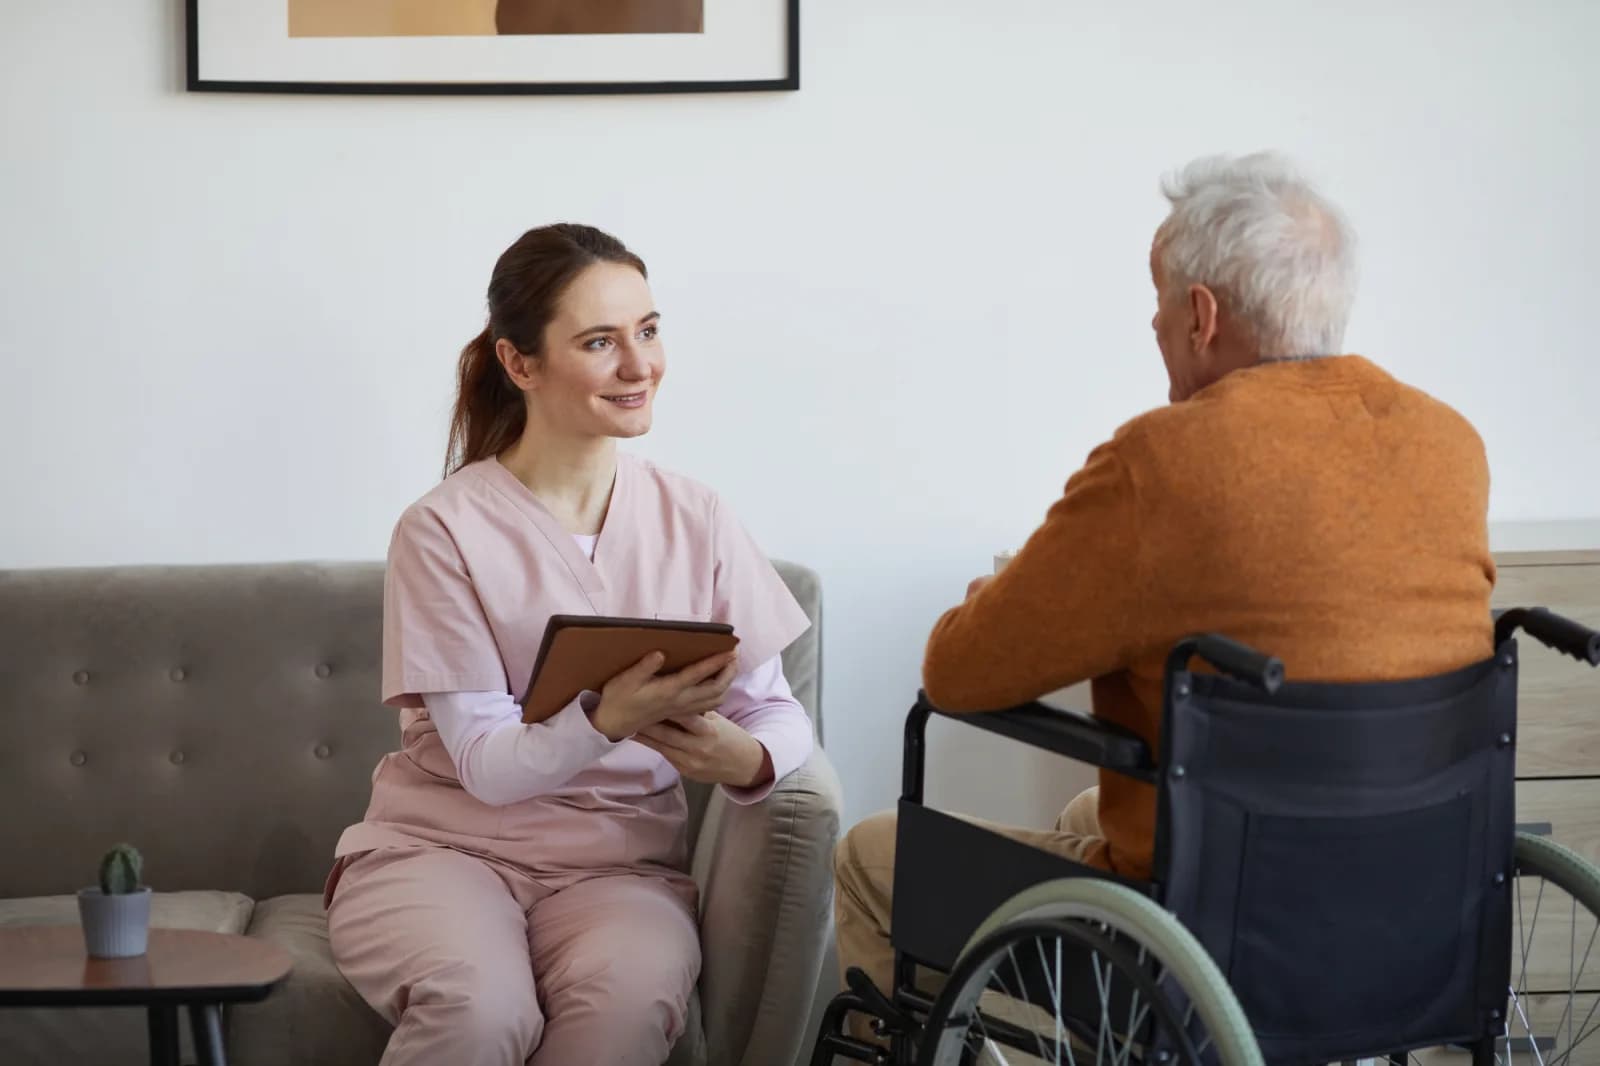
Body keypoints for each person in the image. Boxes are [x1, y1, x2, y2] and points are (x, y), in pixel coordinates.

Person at [833, 152, 1496, 1005]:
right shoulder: (1451, 445)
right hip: (1412, 905)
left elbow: (958, 673)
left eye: (1157, 307)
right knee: (1086, 811)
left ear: (1201, 314)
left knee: (872, 857)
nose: (1154, 330)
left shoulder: (1166, 459)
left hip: (1211, 934)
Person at [326, 223, 814, 1066]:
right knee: (479, 1013)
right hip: (444, 852)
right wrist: (609, 720)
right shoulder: (443, 529)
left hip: (620, 871)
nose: (640, 366)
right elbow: (483, 760)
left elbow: (776, 711)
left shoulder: (696, 517)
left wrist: (740, 758)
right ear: (521, 364)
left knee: (619, 1016)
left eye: (649, 331)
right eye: (600, 342)